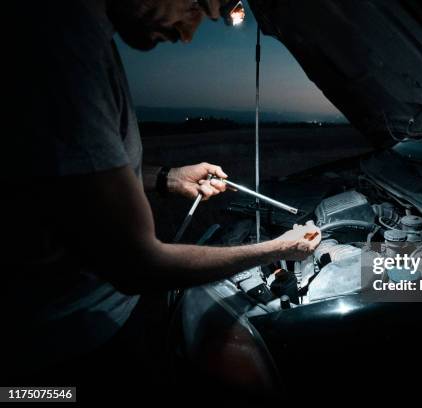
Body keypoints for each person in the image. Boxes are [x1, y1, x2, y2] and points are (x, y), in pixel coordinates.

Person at [2, 0, 321, 389]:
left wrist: (167, 177)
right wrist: (276, 249)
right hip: (61, 357)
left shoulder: (81, 35)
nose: (187, 34)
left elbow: (76, 183)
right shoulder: (62, 45)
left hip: (94, 325)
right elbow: (137, 264)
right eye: (196, 6)